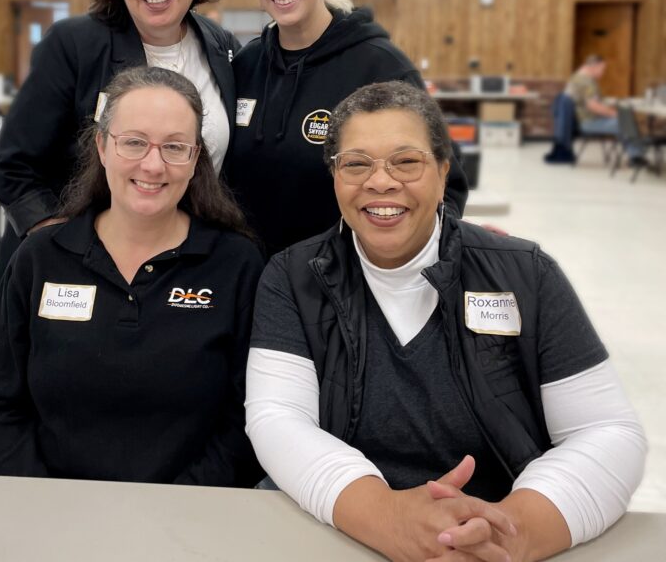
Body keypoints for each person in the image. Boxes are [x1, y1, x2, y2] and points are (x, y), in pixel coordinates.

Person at [245, 81, 647, 562]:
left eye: (406, 161)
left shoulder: (525, 273)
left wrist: (508, 533)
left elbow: (607, 431)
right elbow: (277, 419)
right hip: (345, 528)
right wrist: (387, 518)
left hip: (494, 525)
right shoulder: (291, 278)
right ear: (334, 176)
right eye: (356, 163)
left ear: (442, 170)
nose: (381, 182)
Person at [0, 66, 264, 487]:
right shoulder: (40, 258)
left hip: (190, 522)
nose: (153, 164)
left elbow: (249, 416)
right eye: (134, 143)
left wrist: (177, 511)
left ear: (196, 158)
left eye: (175, 147)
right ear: (103, 146)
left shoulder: (236, 264)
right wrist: (45, 501)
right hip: (53, 518)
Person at [0, 0, 239, 309]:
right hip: (71, 276)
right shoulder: (74, 44)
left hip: (176, 276)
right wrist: (62, 246)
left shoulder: (221, 48)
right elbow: (13, 169)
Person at [226, 0, 467, 256]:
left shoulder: (379, 67)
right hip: (254, 283)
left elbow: (446, 186)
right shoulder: (246, 65)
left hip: (343, 287)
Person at [567, 54, 644, 164]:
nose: (603, 73)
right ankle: (637, 157)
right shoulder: (587, 82)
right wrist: (615, 113)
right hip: (589, 122)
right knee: (625, 121)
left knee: (623, 121)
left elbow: (589, 101)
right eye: (602, 69)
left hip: (581, 120)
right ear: (594, 66)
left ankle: (635, 154)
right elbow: (593, 106)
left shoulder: (576, 77)